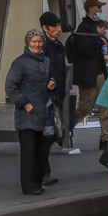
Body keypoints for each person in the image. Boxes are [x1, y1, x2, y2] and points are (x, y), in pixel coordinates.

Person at [5, 29, 57, 195]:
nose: (37, 44)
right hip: (27, 115)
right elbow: (10, 87)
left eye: (39, 41)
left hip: (44, 113)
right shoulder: (20, 62)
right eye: (34, 41)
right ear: (28, 43)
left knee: (42, 152)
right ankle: (28, 186)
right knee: (29, 153)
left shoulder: (46, 61)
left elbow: (48, 81)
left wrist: (51, 85)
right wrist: (25, 103)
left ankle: (37, 182)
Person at [72, 0, 108, 148]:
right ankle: (65, 127)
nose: (101, 10)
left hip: (98, 73)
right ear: (90, 9)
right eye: (98, 7)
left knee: (104, 107)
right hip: (90, 74)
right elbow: (83, 49)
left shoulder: (93, 27)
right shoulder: (84, 28)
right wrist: (100, 42)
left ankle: (105, 138)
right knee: (85, 108)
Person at [38, 11, 68, 184]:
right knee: (47, 135)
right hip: (46, 97)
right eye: (54, 26)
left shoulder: (58, 46)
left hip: (55, 95)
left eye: (58, 26)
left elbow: (61, 71)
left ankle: (44, 171)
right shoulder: (44, 46)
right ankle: (43, 172)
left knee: (51, 134)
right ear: (45, 28)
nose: (58, 29)